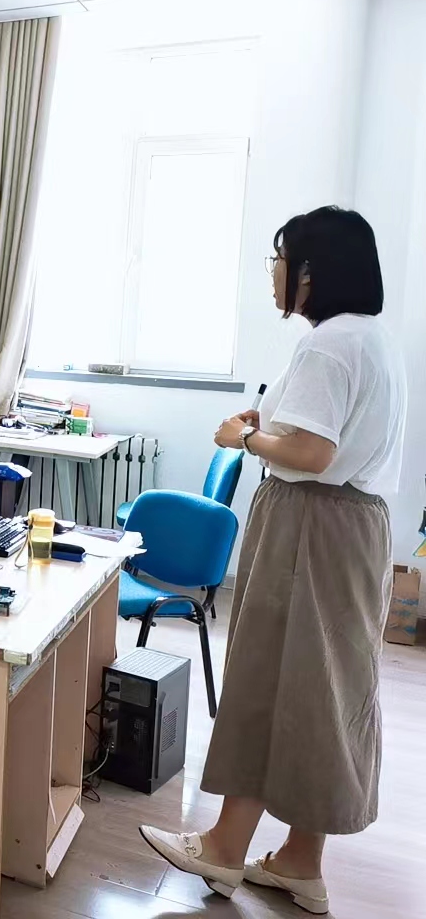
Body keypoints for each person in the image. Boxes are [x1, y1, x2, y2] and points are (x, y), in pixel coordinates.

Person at [140, 207, 407, 916]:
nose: (274, 274)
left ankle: (224, 847)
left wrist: (243, 439)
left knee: (269, 677)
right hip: (357, 526)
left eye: (279, 260)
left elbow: (313, 454)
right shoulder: (371, 337)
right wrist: (272, 428)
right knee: (327, 690)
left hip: (311, 524)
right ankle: (299, 861)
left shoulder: (327, 344)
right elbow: (328, 436)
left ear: (311, 271)